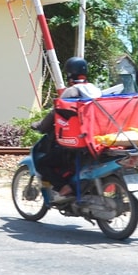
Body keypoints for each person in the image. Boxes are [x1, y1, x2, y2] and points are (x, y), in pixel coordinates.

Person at [34, 57, 105, 203]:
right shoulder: (96, 90)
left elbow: (56, 113)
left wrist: (41, 126)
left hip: (75, 145)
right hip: (96, 141)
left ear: (69, 74)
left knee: (42, 164)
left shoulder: (70, 92)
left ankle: (64, 187)